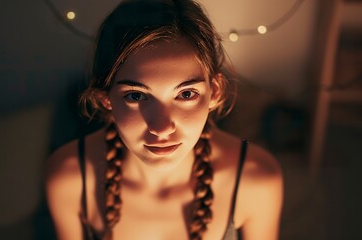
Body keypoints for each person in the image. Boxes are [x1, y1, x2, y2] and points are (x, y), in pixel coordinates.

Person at [45, 0, 283, 239]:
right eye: (136, 96)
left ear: (216, 91)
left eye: (186, 94)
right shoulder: (69, 179)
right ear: (106, 99)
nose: (161, 128)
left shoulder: (255, 181)